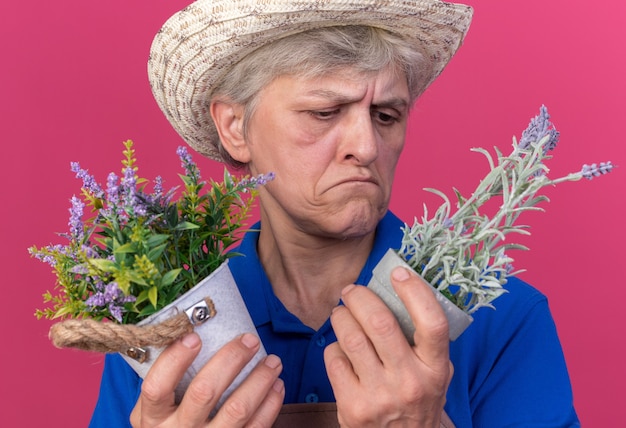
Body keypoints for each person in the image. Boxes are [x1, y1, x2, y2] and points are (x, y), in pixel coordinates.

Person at [90, 0, 580, 426]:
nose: (366, 146)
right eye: (324, 113)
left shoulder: (501, 314)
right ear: (236, 128)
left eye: (386, 116)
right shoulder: (163, 321)